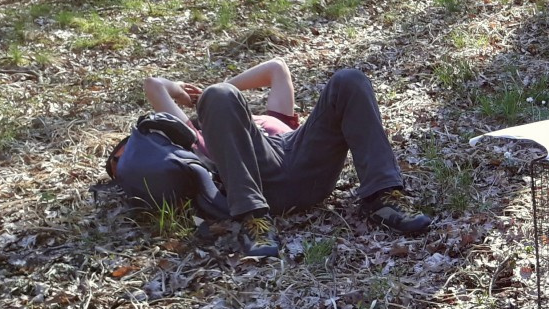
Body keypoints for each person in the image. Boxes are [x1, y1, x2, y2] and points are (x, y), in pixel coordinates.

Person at [143, 59, 431, 258]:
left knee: (349, 79)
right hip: (260, 180)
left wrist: (218, 86)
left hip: (305, 163)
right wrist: (201, 97)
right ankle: (254, 221)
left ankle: (382, 196)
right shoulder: (201, 133)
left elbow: (276, 68)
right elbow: (154, 85)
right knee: (219, 95)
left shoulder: (275, 117)